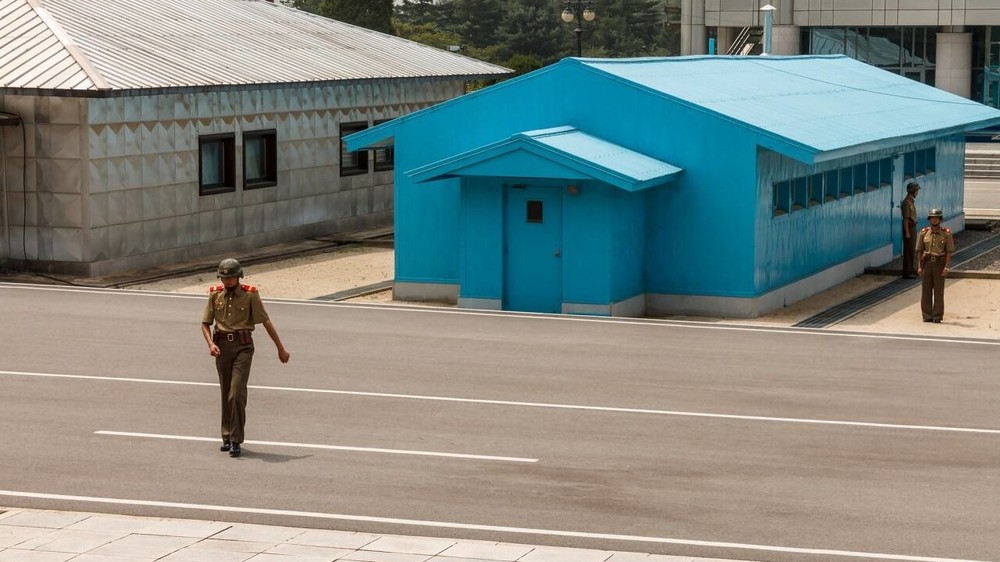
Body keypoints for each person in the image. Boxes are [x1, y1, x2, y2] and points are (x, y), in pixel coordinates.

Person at [201, 258, 290, 457]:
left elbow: (265, 321)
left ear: (238, 277)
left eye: (231, 277)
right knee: (226, 392)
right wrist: (211, 344)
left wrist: (280, 348)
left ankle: (236, 439)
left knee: (236, 393)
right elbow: (205, 323)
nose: (227, 281)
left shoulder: (250, 294)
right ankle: (226, 435)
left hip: (243, 347)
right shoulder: (215, 294)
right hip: (222, 347)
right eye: (224, 278)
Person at [916, 209, 955, 323]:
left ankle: (937, 315)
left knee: (939, 291)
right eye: (932, 217)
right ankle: (927, 315)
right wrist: (919, 266)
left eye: (936, 218)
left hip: (939, 263)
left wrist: (946, 267)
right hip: (927, 263)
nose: (934, 219)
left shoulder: (946, 233)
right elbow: (919, 251)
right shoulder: (924, 233)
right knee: (926, 291)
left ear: (940, 219)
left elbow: (949, 252)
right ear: (929, 219)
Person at [900, 182, 919, 278]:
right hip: (909, 228)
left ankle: (911, 270)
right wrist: (907, 232)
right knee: (908, 251)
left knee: (912, 250)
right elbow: (906, 219)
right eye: (917, 190)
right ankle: (907, 272)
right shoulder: (906, 203)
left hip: (913, 227)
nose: (917, 192)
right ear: (912, 191)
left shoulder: (911, 201)